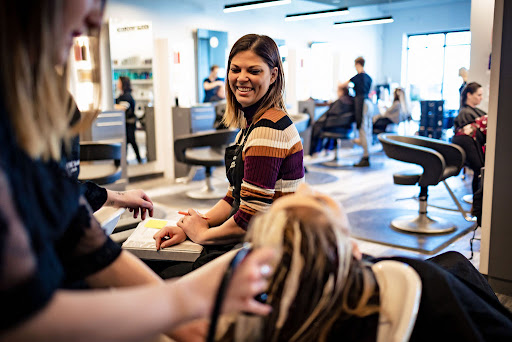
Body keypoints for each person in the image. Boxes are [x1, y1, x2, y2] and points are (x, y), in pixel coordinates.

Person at [0, 1, 276, 340]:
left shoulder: (266, 130)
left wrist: (184, 309)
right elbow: (20, 314)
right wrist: (184, 297)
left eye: (254, 71)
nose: (95, 17)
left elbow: (79, 233)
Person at [217, 183, 512, 341]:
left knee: (452, 261)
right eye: (344, 236)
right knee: (455, 264)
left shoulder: (259, 313)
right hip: (441, 297)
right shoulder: (416, 282)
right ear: (340, 252)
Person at [153, 34, 305, 277]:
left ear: (273, 75)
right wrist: (195, 223)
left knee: (163, 274)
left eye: (254, 71)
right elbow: (234, 196)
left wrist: (201, 234)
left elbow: (249, 220)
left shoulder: (268, 130)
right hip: (250, 244)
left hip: (265, 255)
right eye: (235, 69)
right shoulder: (252, 125)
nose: (242, 78)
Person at [452, 82, 487, 195]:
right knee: (480, 170)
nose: (481, 98)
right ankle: (477, 205)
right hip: (470, 149)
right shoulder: (465, 114)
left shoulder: (474, 112)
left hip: (477, 147)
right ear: (469, 95)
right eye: (479, 95)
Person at [340, 57, 373, 167]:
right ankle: (366, 153)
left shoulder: (358, 77)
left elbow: (343, 85)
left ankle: (366, 157)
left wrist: (339, 85)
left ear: (357, 64)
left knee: (363, 129)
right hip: (369, 103)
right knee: (367, 130)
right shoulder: (369, 78)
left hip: (362, 104)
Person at [308, 84, 354, 157]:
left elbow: (331, 113)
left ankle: (315, 151)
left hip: (335, 126)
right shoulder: (352, 101)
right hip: (346, 128)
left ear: (341, 91)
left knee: (317, 126)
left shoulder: (339, 101)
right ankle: (328, 149)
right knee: (330, 125)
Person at [116, 76, 143, 164]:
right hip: (127, 123)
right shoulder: (122, 95)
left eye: (119, 82)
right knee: (128, 141)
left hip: (129, 123)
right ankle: (128, 160)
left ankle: (136, 159)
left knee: (130, 141)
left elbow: (123, 107)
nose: (117, 84)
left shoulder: (126, 96)